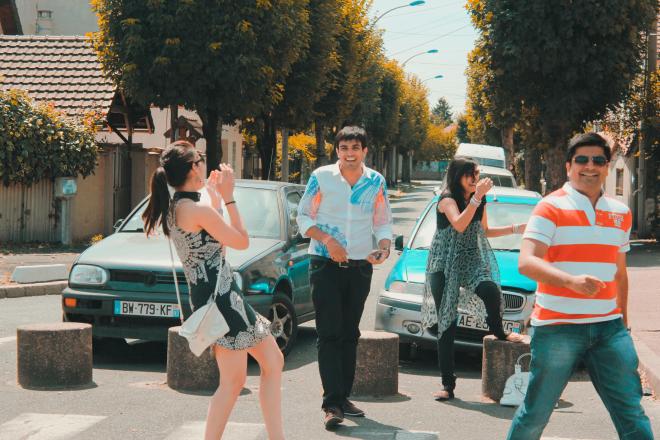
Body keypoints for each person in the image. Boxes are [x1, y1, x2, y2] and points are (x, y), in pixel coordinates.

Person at [507, 133, 653, 439]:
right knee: (535, 415)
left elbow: (619, 273)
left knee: (632, 413)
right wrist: (570, 281)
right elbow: (527, 262)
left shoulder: (621, 213)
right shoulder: (549, 207)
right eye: (582, 160)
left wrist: (623, 324)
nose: (590, 166)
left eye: (598, 160)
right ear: (569, 166)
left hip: (609, 329)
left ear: (607, 166)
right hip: (557, 327)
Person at [142, 141, 285, 440]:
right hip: (221, 300)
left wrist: (217, 198)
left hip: (218, 295)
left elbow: (215, 244)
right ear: (193, 168)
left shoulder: (178, 207)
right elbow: (241, 241)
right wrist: (230, 198)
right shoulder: (195, 209)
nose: (204, 164)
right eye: (200, 160)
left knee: (270, 363)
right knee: (234, 381)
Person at [297, 126, 393, 429]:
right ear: (337, 150)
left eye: (355, 148)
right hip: (324, 264)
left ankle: (343, 396)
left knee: (350, 333)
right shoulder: (321, 177)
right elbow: (303, 217)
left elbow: (383, 221)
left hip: (360, 266)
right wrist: (328, 241)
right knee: (329, 333)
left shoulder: (375, 181)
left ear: (365, 151)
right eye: (344, 148)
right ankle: (331, 404)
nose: (349, 154)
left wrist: (384, 247)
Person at [420, 157, 525, 401]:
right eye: (470, 174)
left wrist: (515, 228)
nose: (474, 179)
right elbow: (459, 224)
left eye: (477, 174)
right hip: (444, 263)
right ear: (458, 176)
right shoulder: (447, 199)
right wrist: (477, 197)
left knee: (490, 290)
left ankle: (499, 331)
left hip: (470, 259)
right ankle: (447, 384)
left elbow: (484, 230)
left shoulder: (480, 199)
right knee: (447, 322)